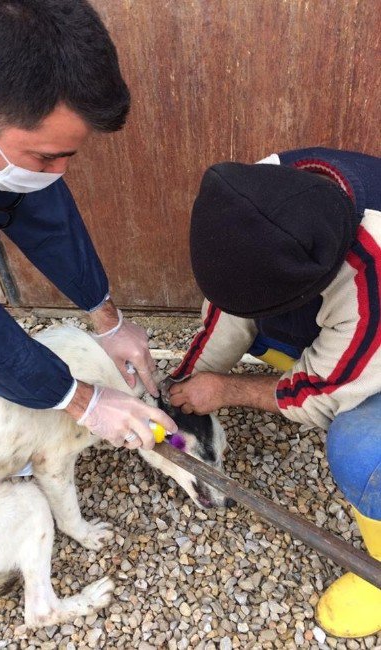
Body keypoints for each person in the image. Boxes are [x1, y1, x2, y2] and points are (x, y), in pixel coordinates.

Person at [0, 0, 176, 451]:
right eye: (47, 156)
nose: (60, 173)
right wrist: (80, 400)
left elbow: (32, 203)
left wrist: (107, 318)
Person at [169, 148, 381, 638]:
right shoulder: (257, 192)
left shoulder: (372, 275)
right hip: (349, 322)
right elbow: (229, 310)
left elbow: (322, 394)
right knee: (271, 333)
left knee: (360, 445)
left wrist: (224, 389)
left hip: (374, 334)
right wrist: (179, 383)